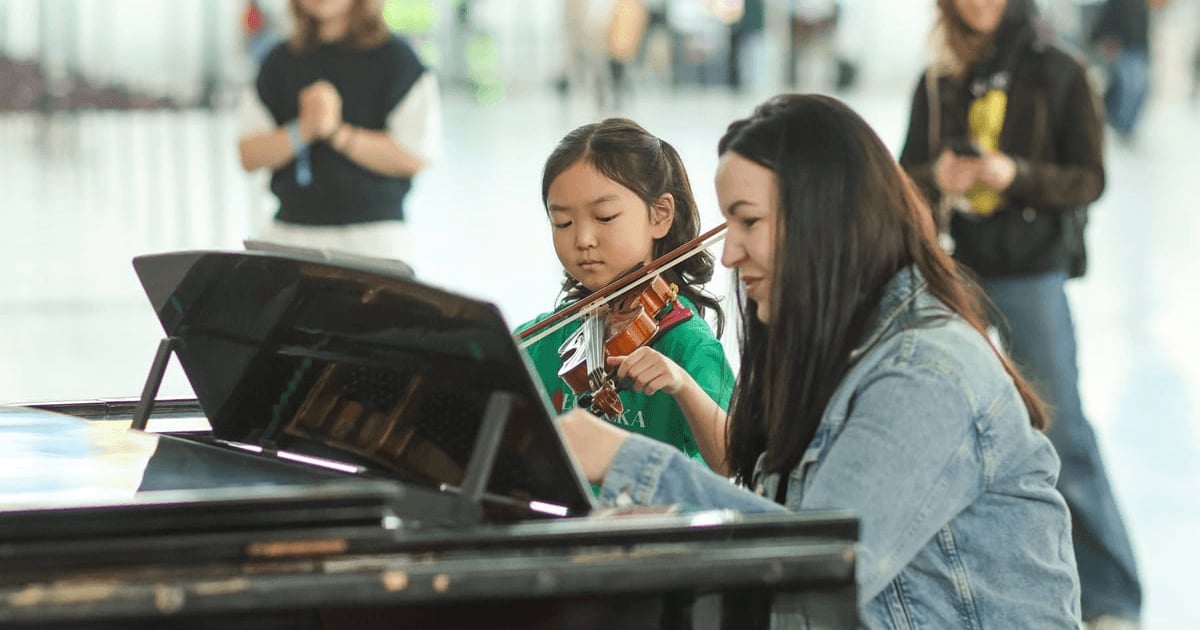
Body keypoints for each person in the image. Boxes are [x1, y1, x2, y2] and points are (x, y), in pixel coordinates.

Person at [558, 94, 1081, 627]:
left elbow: (817, 564)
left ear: (823, 220)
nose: (730, 254)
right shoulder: (827, 348)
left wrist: (626, 459)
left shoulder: (924, 373)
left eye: (749, 222)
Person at [898, 0, 1141, 627]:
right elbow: (900, 179)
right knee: (948, 421)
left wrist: (1017, 174)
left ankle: (1111, 595)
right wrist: (938, 175)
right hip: (959, 268)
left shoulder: (1059, 68)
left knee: (1063, 430)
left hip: (1033, 269)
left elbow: (1089, 178)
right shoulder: (939, 76)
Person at [516, 118, 735, 473]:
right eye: (563, 223)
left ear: (660, 215)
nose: (582, 239)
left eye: (604, 217)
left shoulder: (688, 345)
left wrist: (681, 385)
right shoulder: (555, 335)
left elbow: (732, 462)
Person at [237, 0, 442, 264]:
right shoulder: (277, 62)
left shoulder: (397, 61)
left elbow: (415, 155)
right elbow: (249, 154)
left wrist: (337, 133)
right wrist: (303, 130)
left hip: (374, 242)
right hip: (291, 237)